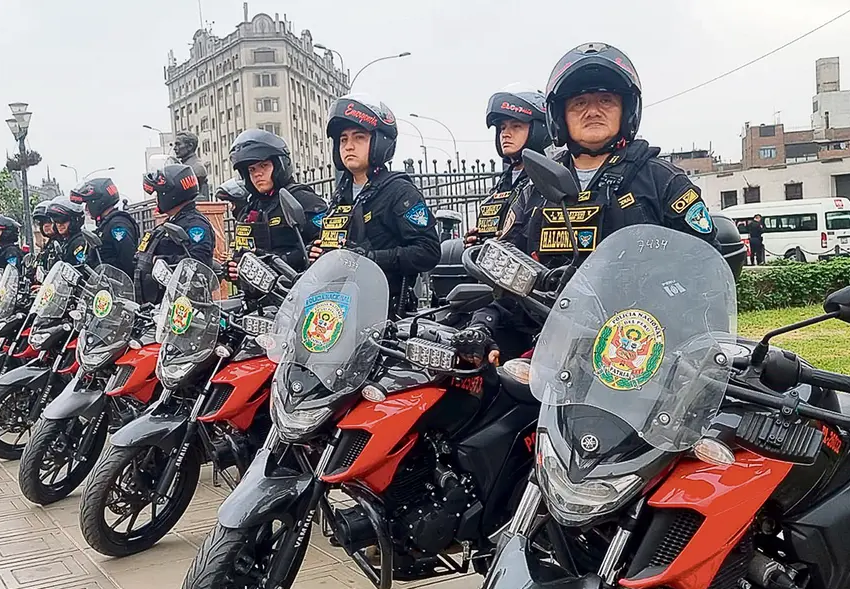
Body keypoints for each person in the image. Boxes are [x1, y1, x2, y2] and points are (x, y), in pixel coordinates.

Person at [456, 42, 721, 366]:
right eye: (579, 102)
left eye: (605, 100)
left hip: (641, 354)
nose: (592, 110)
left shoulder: (662, 181)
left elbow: (705, 269)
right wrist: (484, 324)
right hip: (552, 355)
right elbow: (508, 274)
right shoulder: (534, 188)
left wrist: (656, 305)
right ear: (559, 115)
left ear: (627, 109)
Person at [308, 94, 441, 314]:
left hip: (386, 311)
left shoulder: (398, 191)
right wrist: (319, 252)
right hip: (338, 309)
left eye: (359, 137)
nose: (349, 146)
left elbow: (428, 251)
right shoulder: (341, 195)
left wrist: (372, 259)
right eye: (343, 139)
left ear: (380, 142)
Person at [226, 130, 327, 280]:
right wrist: (233, 269)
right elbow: (240, 252)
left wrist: (277, 261)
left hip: (296, 289)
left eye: (264, 166)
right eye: (251, 170)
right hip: (258, 298)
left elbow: (323, 248)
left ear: (279, 165)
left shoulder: (304, 200)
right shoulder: (249, 210)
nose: (257, 174)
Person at [468, 87, 552, 242]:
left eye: (516, 126)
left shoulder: (547, 180)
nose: (505, 134)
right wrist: (476, 240)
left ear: (538, 130)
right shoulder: (503, 183)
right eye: (502, 128)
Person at [136, 164, 215, 304]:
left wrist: (160, 261)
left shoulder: (195, 225)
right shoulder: (173, 222)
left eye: (159, 194)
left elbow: (198, 264)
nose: (157, 199)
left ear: (172, 194)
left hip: (184, 308)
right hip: (160, 306)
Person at [69, 178, 139, 276]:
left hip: (117, 288)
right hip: (103, 287)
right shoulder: (105, 225)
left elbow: (127, 261)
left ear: (97, 201)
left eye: (88, 203)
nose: (86, 208)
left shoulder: (117, 225)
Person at [45, 196, 92, 266]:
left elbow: (83, 268)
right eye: (56, 221)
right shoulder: (65, 242)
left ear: (74, 220)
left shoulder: (79, 242)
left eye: (63, 220)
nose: (59, 225)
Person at [173, 131, 210, 200]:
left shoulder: (197, 168)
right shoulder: (183, 166)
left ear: (190, 146)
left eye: (178, 144)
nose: (174, 148)